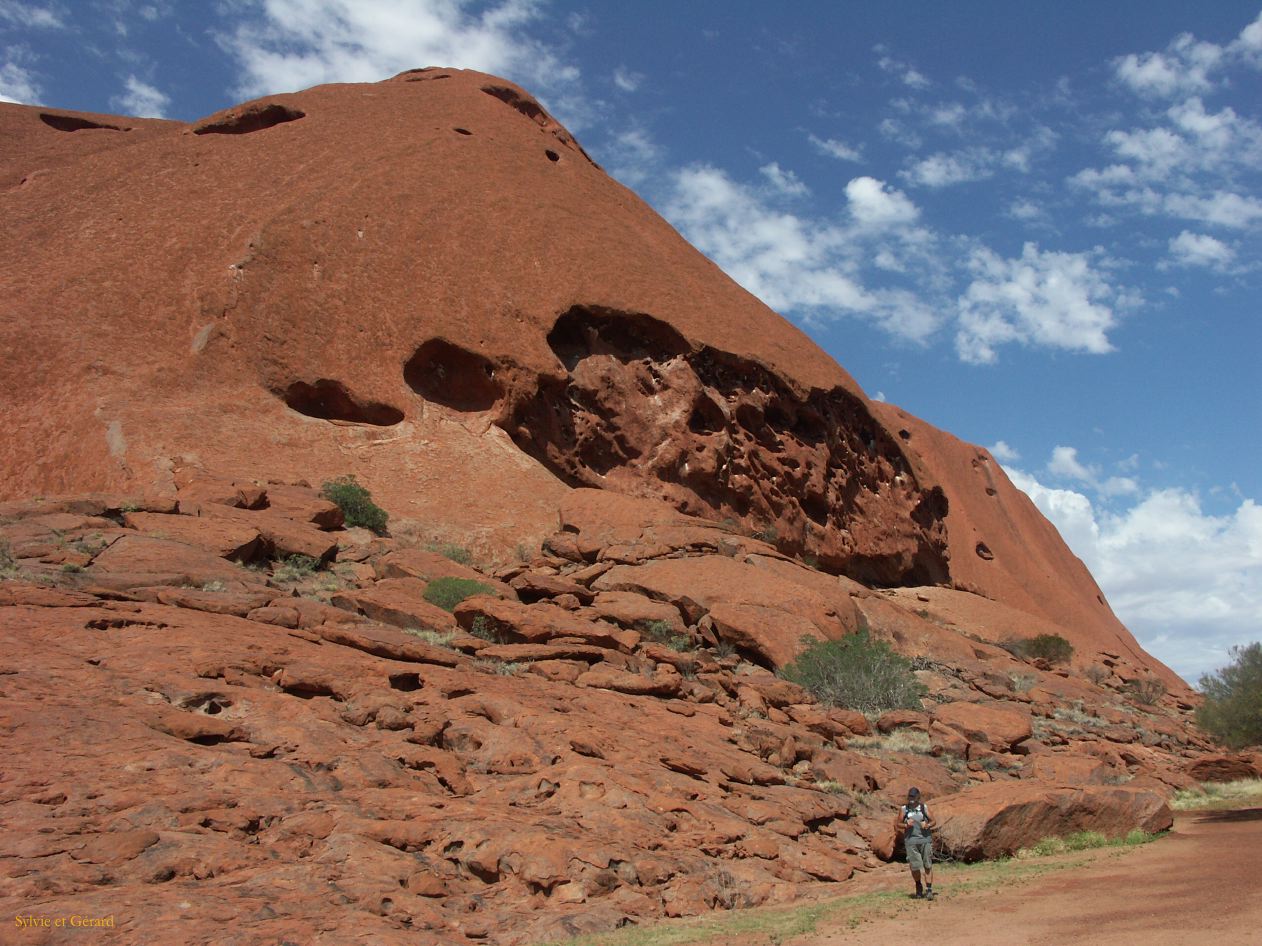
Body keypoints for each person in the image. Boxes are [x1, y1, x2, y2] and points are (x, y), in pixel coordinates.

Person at [898, 786, 935, 900]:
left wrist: (927, 825)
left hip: (925, 840)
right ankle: (918, 885)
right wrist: (906, 825)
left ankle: (929, 890)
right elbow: (897, 824)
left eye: (913, 796)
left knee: (927, 865)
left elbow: (934, 821)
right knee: (915, 867)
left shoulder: (924, 808)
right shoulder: (904, 809)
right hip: (911, 841)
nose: (911, 798)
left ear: (918, 797)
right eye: (910, 796)